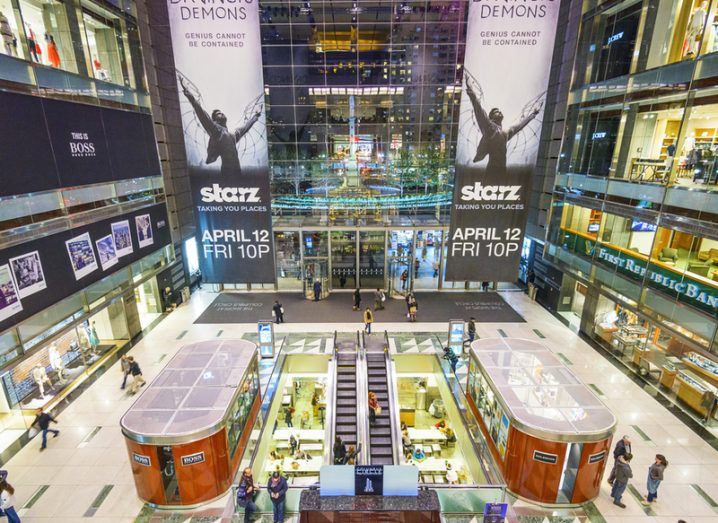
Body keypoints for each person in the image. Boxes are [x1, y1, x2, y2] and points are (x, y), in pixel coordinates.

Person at [179, 76, 262, 176]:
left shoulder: (233, 135)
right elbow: (201, 113)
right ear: (214, 120)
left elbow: (246, 127)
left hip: (238, 174)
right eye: (218, 113)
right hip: (227, 175)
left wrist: (256, 115)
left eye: (222, 112)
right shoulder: (216, 131)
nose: (222, 113)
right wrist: (188, 93)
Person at [465, 77, 540, 175]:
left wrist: (533, 114)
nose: (499, 112)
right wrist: (470, 89)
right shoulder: (489, 128)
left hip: (502, 170)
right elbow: (478, 109)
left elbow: (520, 125)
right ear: (491, 118)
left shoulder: (507, 131)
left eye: (499, 111)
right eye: (496, 112)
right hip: (492, 170)